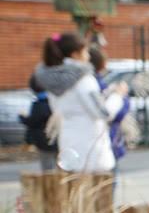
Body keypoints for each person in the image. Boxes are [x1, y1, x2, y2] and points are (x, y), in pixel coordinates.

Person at [33, 32, 128, 173]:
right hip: (91, 151)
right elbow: (102, 112)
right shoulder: (83, 80)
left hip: (68, 147)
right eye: (85, 51)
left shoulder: (53, 80)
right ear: (75, 54)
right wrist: (118, 95)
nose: (88, 57)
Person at [89, 47, 131, 166]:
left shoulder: (94, 84)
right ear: (102, 65)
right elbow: (115, 113)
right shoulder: (96, 85)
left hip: (100, 139)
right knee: (109, 177)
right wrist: (121, 95)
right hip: (106, 139)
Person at [20, 73, 57, 171]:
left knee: (47, 167)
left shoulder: (39, 104)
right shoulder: (55, 100)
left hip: (43, 140)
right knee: (61, 166)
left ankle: (51, 185)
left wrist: (22, 118)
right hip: (58, 138)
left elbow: (33, 122)